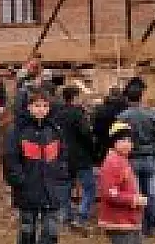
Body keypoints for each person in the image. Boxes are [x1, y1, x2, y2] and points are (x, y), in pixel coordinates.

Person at [3, 87, 68, 244]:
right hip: (27, 190)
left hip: (51, 189)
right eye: (37, 105)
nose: (41, 109)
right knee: (27, 229)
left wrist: (61, 176)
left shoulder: (54, 130)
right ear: (29, 107)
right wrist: (20, 181)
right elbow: (10, 159)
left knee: (50, 230)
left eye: (45, 106)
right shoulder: (17, 131)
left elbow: (63, 155)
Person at [116, 77, 155, 237]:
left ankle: (139, 225)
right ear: (141, 97)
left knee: (135, 193)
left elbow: (118, 138)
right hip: (149, 157)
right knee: (150, 193)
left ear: (128, 98)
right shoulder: (151, 114)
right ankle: (151, 225)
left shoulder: (122, 117)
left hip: (132, 157)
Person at [97, 121, 147, 244]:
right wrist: (134, 199)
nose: (127, 144)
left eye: (129, 140)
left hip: (128, 220)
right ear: (114, 143)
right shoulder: (112, 163)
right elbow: (110, 193)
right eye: (122, 140)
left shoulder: (122, 160)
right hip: (120, 222)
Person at [55, 85, 96, 228]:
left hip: (63, 155)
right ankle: (81, 216)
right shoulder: (78, 114)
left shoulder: (57, 114)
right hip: (81, 156)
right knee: (89, 187)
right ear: (75, 97)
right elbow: (86, 134)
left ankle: (65, 215)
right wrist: (93, 149)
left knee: (65, 187)